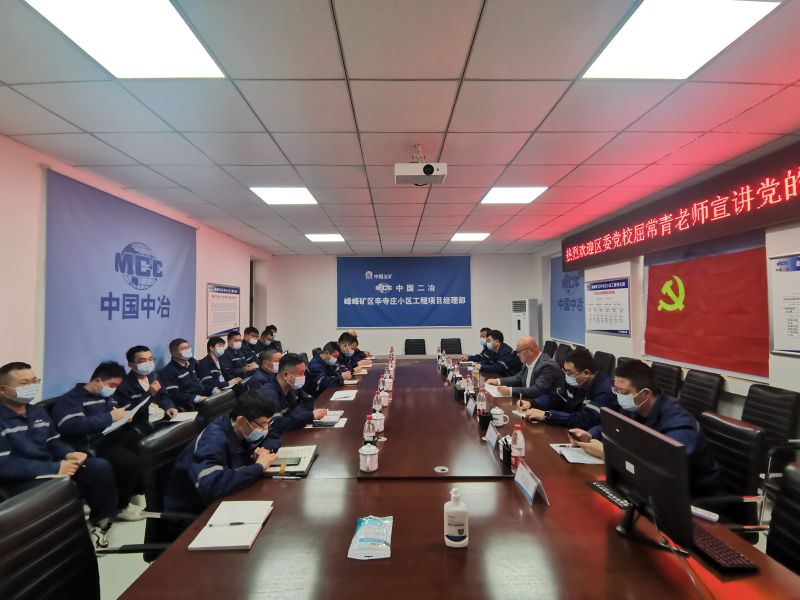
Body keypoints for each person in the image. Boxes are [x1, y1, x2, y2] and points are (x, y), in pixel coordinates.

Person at [0, 362, 118, 548]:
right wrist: (55, 468)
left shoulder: (37, 411)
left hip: (52, 467)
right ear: (2, 390)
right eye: (23, 383)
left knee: (99, 467)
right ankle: (64, 542)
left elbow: (53, 441)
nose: (31, 386)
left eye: (34, 381)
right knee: (61, 488)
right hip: (19, 479)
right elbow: (5, 464)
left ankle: (101, 523)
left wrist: (68, 453)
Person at [568, 360, 721, 498]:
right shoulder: (635, 408)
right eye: (616, 390)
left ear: (645, 393)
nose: (619, 396)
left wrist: (608, 453)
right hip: (650, 488)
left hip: (695, 498)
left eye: (624, 392)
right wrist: (590, 434)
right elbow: (616, 427)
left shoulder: (679, 422)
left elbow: (665, 466)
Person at [51, 361, 146, 521]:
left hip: (108, 438)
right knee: (129, 463)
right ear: (97, 381)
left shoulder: (104, 396)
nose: (113, 389)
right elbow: (73, 425)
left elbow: (111, 413)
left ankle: (134, 492)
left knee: (140, 443)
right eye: (112, 385)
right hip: (89, 445)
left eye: (116, 386)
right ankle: (120, 507)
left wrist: (122, 416)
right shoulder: (71, 400)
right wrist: (109, 417)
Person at [163, 390, 280, 516]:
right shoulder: (213, 440)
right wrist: (258, 467)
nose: (265, 429)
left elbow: (273, 435)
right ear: (241, 420)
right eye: (263, 424)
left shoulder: (242, 427)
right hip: (194, 512)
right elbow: (212, 485)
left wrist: (261, 452)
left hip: (222, 500)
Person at [524, 347, 619, 430]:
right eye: (565, 371)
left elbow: (585, 419)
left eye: (569, 372)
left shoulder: (604, 390)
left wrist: (548, 415)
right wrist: (533, 403)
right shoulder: (576, 381)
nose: (567, 375)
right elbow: (556, 398)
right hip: (570, 429)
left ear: (586, 373)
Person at [262, 353, 327, 450]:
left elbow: (309, 401)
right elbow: (277, 426)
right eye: (301, 373)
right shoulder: (268, 394)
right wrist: (309, 416)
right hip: (279, 442)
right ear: (286, 375)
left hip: (294, 433)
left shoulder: (292, 386)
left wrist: (292, 417)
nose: (304, 377)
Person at [115, 345, 178, 434]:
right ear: (130, 365)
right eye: (142, 361)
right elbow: (128, 413)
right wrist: (150, 393)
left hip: (161, 419)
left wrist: (169, 407)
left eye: (151, 359)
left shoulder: (154, 376)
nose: (148, 363)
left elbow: (163, 396)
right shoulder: (123, 385)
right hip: (142, 426)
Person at [485, 337, 563, 401]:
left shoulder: (547, 366)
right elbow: (519, 377)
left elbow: (537, 390)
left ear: (531, 350)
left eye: (519, 351)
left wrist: (510, 390)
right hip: (527, 401)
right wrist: (498, 381)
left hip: (542, 407)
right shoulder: (528, 361)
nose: (517, 355)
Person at [159, 339, 208, 411]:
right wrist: (197, 398)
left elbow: (200, 381)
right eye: (184, 348)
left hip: (204, 397)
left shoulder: (192, 362)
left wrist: (213, 390)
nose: (188, 350)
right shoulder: (168, 371)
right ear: (174, 353)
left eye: (188, 347)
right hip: (190, 403)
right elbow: (174, 394)